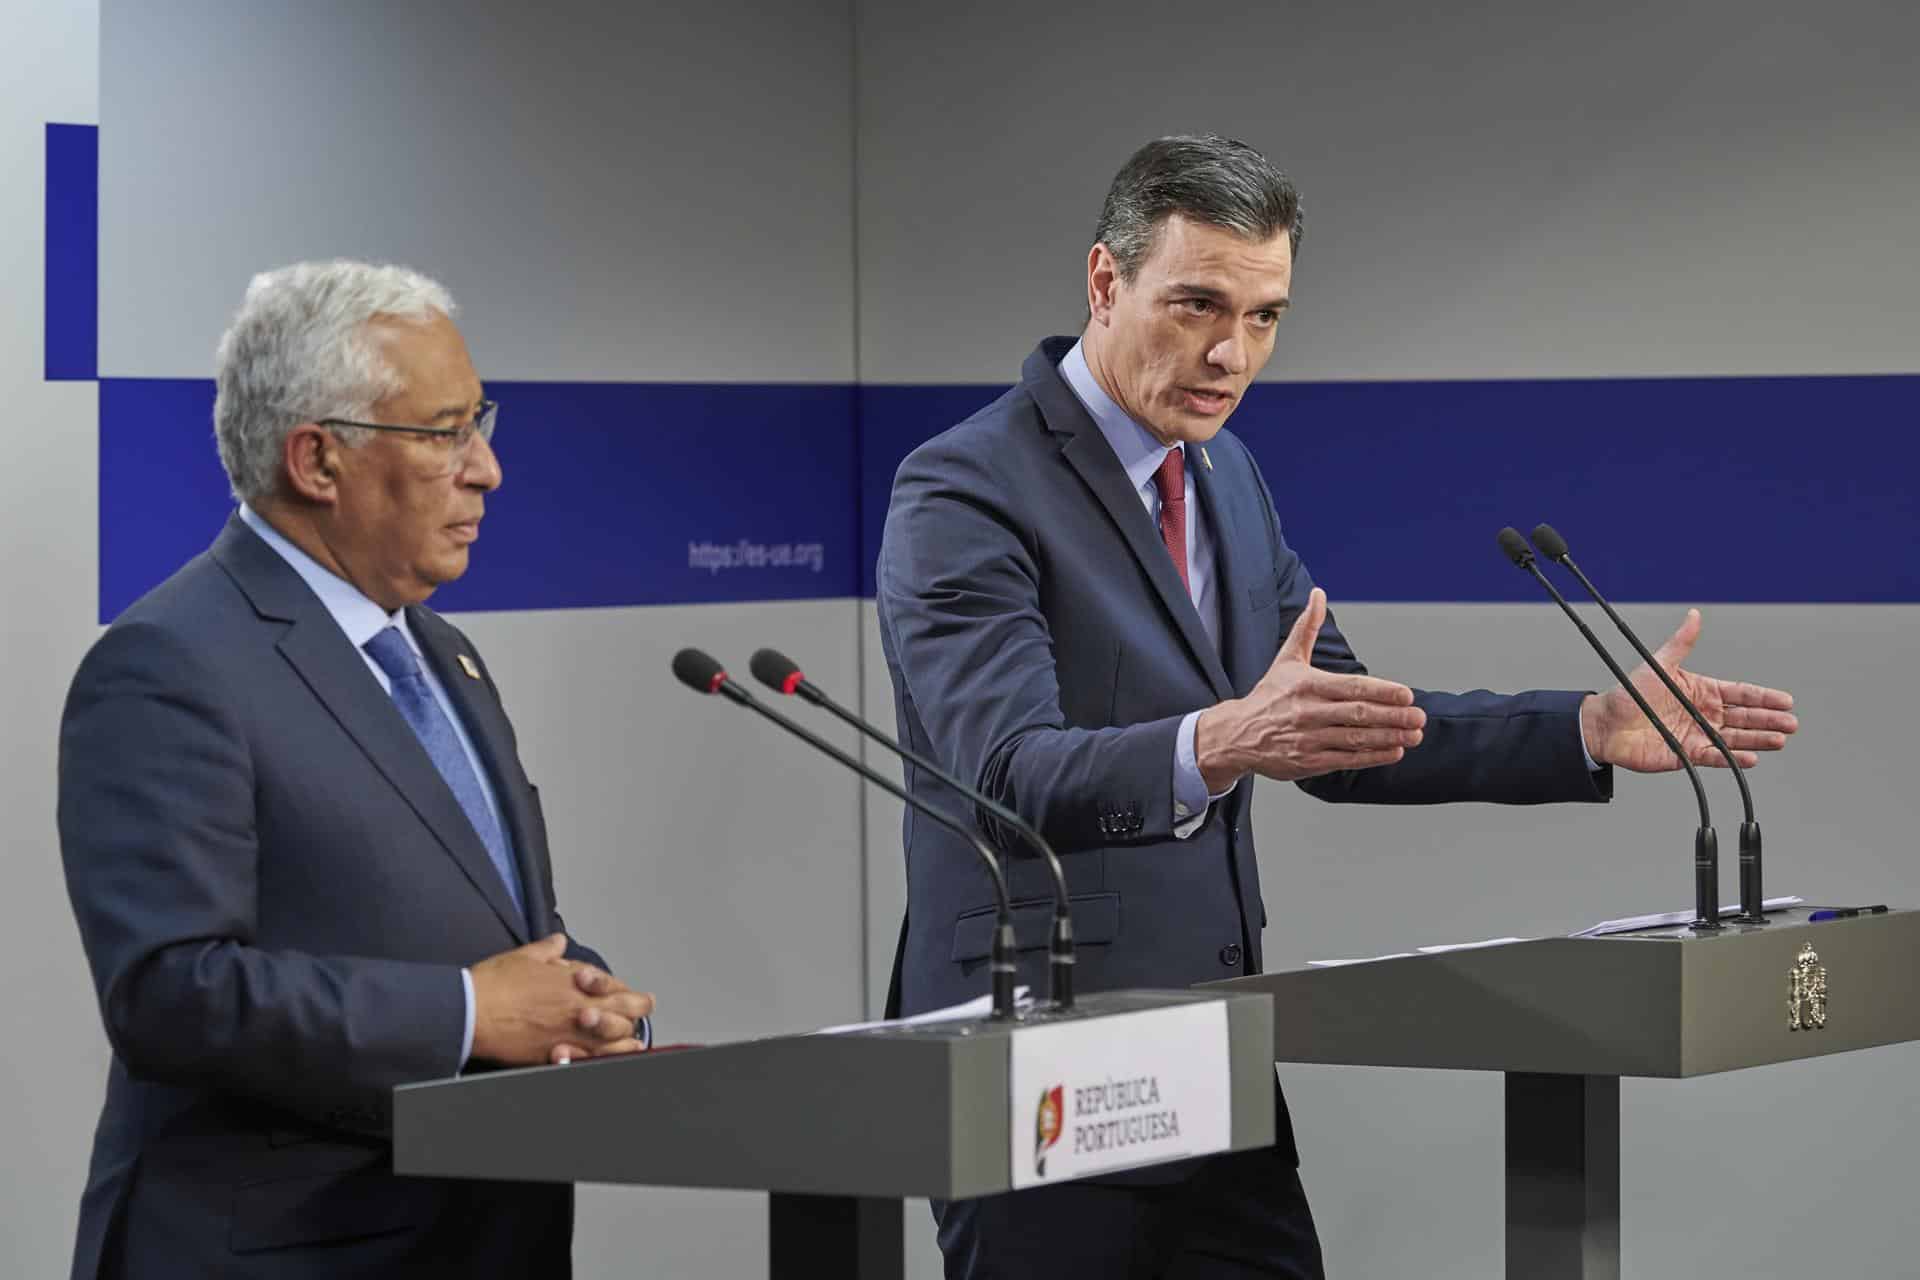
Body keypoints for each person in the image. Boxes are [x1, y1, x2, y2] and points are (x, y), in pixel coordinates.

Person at [874, 135, 1798, 1278]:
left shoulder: (1227, 477)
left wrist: (1584, 725)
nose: (1232, 352)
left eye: (1266, 316)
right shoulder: (965, 486)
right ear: (1106, 283)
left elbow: (1345, 732)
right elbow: (1003, 776)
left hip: (1212, 1052)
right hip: (1036, 1059)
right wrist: (1218, 741)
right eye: (1199, 304)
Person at [58, 260, 654, 1279]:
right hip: (287, 1249)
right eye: (443, 431)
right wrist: (470, 1010)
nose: (486, 469)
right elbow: (171, 989)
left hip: (482, 1235)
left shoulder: (443, 653)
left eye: (481, 422)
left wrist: (577, 998)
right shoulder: (168, 662)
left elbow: (486, 919)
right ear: (318, 461)